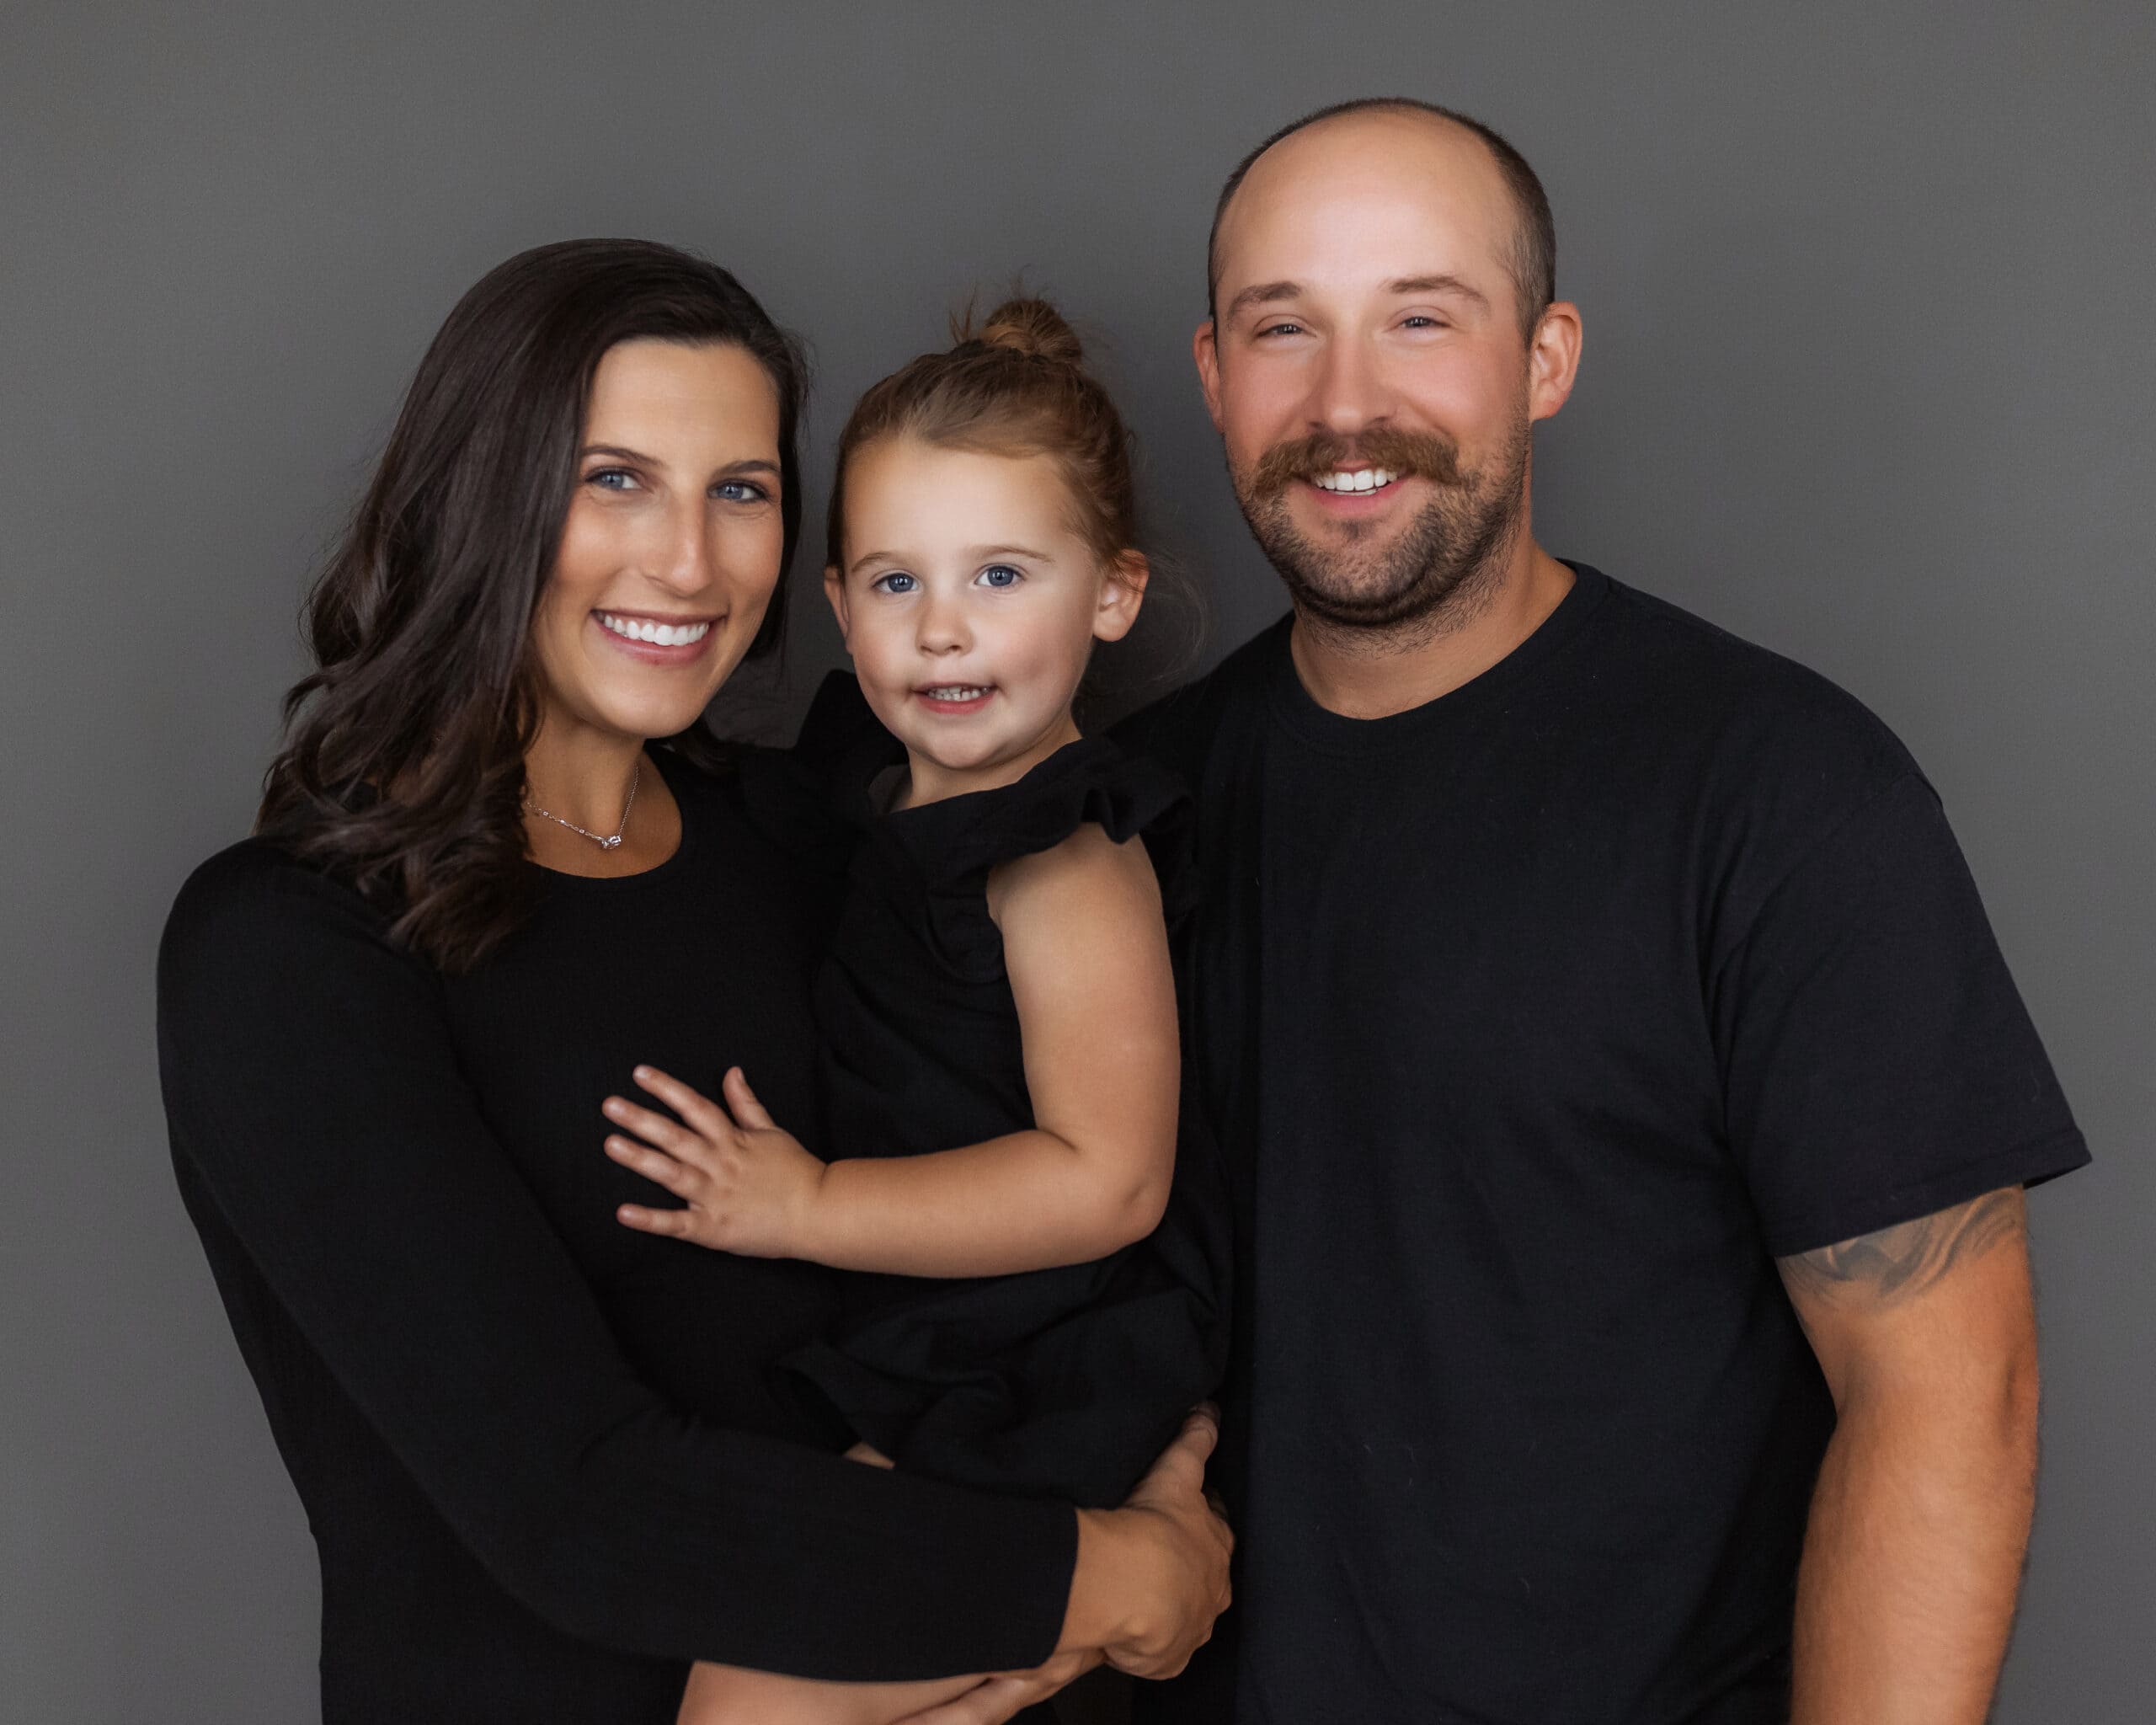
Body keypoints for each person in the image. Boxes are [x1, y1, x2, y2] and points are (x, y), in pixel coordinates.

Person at [156, 239, 1230, 1725]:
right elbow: (582, 1513)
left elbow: (1082, 1187)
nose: (688, 560)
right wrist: (1117, 1576)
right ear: (485, 494)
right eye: (615, 480)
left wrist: (1141, 1501)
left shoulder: (810, 834)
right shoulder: (290, 950)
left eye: (741, 490)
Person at [1116, 99, 2089, 1724]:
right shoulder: (1121, 813)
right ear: (1214, 374)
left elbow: (1946, 1398)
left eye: (1423, 320)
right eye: (1285, 330)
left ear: (1546, 359)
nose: (1346, 404)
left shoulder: (1776, 792)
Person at [594, 296, 1230, 1725]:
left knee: (746, 1710)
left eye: (1002, 576)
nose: (943, 633)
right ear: (834, 604)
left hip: (1042, 1366)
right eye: (895, 584)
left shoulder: (1065, 853)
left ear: (1112, 595)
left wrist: (805, 1207)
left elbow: (1112, 1180)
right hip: (937, 1353)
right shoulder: (869, 798)